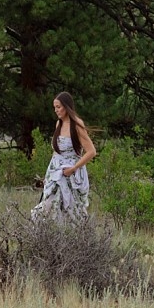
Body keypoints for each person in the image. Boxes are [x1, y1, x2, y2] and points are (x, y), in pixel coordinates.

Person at [32, 92, 96, 223]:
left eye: (58, 107)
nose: (56, 110)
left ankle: (77, 241)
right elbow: (57, 153)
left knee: (71, 212)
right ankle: (49, 241)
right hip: (56, 173)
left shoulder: (77, 125)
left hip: (71, 175)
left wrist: (73, 168)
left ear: (67, 107)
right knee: (47, 208)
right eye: (54, 107)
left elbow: (91, 151)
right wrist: (49, 176)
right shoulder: (59, 124)